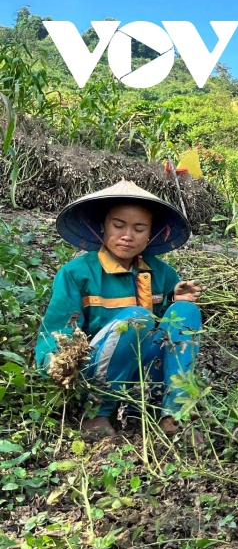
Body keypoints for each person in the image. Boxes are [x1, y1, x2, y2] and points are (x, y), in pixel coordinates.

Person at [36, 180, 203, 441]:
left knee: (187, 311)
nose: (128, 235)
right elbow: (57, 330)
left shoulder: (162, 273)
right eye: (118, 225)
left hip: (144, 379)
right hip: (96, 376)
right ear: (102, 227)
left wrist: (175, 300)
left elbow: (169, 331)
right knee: (137, 318)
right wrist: (56, 363)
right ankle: (95, 412)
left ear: (151, 235)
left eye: (139, 228)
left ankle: (176, 412)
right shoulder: (76, 274)